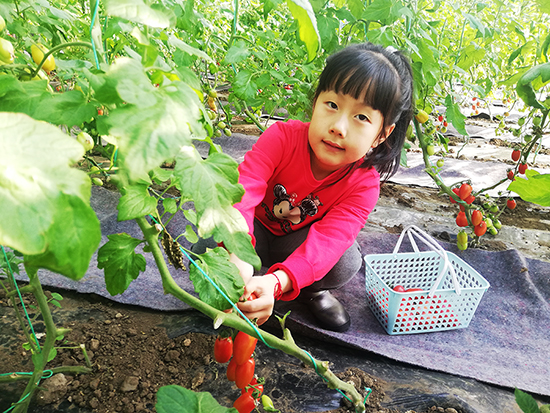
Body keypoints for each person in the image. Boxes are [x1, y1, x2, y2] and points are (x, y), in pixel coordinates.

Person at [201, 42, 414, 332]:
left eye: (361, 117)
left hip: (298, 242)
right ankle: (251, 272)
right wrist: (239, 254)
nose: (339, 126)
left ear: (381, 134)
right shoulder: (281, 138)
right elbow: (244, 190)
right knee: (209, 240)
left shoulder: (363, 184)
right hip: (256, 232)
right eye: (332, 105)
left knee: (344, 261)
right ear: (315, 102)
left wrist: (275, 284)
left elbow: (329, 240)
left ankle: (309, 290)